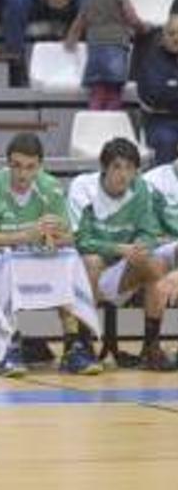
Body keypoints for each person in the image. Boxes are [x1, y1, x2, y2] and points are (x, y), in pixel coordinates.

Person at [0, 132, 102, 376]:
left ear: (40, 166)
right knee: (4, 260)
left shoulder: (50, 187)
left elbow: (70, 238)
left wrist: (54, 236)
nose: (23, 174)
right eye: (16, 166)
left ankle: (74, 344)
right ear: (8, 163)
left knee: (71, 260)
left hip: (35, 256)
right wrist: (28, 234)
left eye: (30, 167)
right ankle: (8, 345)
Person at [68, 138, 176, 370]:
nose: (123, 175)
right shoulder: (82, 186)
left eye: (129, 168)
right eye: (117, 167)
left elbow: (149, 232)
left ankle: (151, 346)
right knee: (92, 260)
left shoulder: (142, 189)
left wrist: (139, 247)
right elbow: (80, 241)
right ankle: (82, 344)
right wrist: (118, 248)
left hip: (120, 272)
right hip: (79, 273)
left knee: (154, 264)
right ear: (104, 167)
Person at [64, 0, 148, 110]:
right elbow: (131, 17)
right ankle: (109, 123)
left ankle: (93, 122)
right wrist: (143, 29)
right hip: (116, 44)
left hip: (95, 46)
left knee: (97, 91)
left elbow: (81, 19)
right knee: (114, 91)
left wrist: (71, 38)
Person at [0, 0, 80, 86]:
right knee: (17, 0)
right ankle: (16, 64)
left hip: (64, 2)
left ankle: (85, 63)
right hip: (24, 1)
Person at [137, 15, 178, 167]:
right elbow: (153, 95)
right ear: (163, 36)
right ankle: (163, 190)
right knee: (166, 140)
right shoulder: (152, 60)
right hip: (161, 122)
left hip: (166, 112)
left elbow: (165, 93)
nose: (176, 38)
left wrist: (171, 87)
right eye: (172, 33)